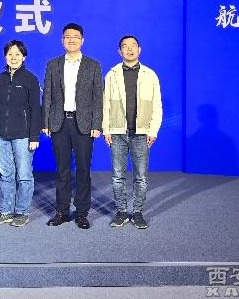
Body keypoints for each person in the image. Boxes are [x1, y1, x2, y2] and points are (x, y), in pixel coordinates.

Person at [42, 23, 103, 229]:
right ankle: (62, 211)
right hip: (59, 123)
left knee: (83, 170)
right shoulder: (53, 64)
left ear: (82, 40)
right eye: (67, 37)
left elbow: (98, 97)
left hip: (83, 124)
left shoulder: (93, 65)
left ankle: (82, 213)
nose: (71, 40)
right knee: (62, 170)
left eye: (75, 37)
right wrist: (45, 122)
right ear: (62, 41)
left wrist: (97, 124)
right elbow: (47, 95)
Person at [102, 35, 162, 230]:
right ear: (119, 51)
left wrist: (153, 130)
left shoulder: (150, 75)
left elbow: (157, 105)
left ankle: (137, 212)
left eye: (133, 46)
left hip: (141, 133)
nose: (129, 49)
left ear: (139, 50)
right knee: (117, 176)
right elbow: (105, 105)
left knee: (141, 177)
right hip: (117, 132)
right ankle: (121, 212)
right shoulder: (111, 74)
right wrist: (106, 129)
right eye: (125, 46)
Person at [0, 40, 41, 228]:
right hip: (2, 136)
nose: (13, 58)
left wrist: (34, 136)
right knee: (6, 175)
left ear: (24, 57)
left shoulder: (30, 79)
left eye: (17, 54)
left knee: (24, 176)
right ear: (5, 57)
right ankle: (6, 211)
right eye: (10, 54)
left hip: (23, 136)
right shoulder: (0, 79)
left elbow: (35, 109)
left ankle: (22, 212)